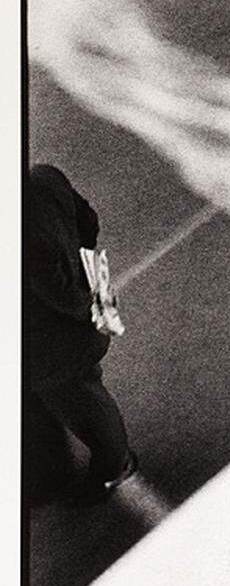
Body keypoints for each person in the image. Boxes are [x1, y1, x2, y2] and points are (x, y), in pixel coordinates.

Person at [24, 164, 137, 504]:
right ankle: (49, 476)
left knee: (83, 404)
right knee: (66, 399)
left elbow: (54, 291)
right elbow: (88, 220)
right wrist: (83, 274)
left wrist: (82, 306)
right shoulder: (44, 178)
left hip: (51, 346)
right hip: (66, 330)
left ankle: (114, 466)